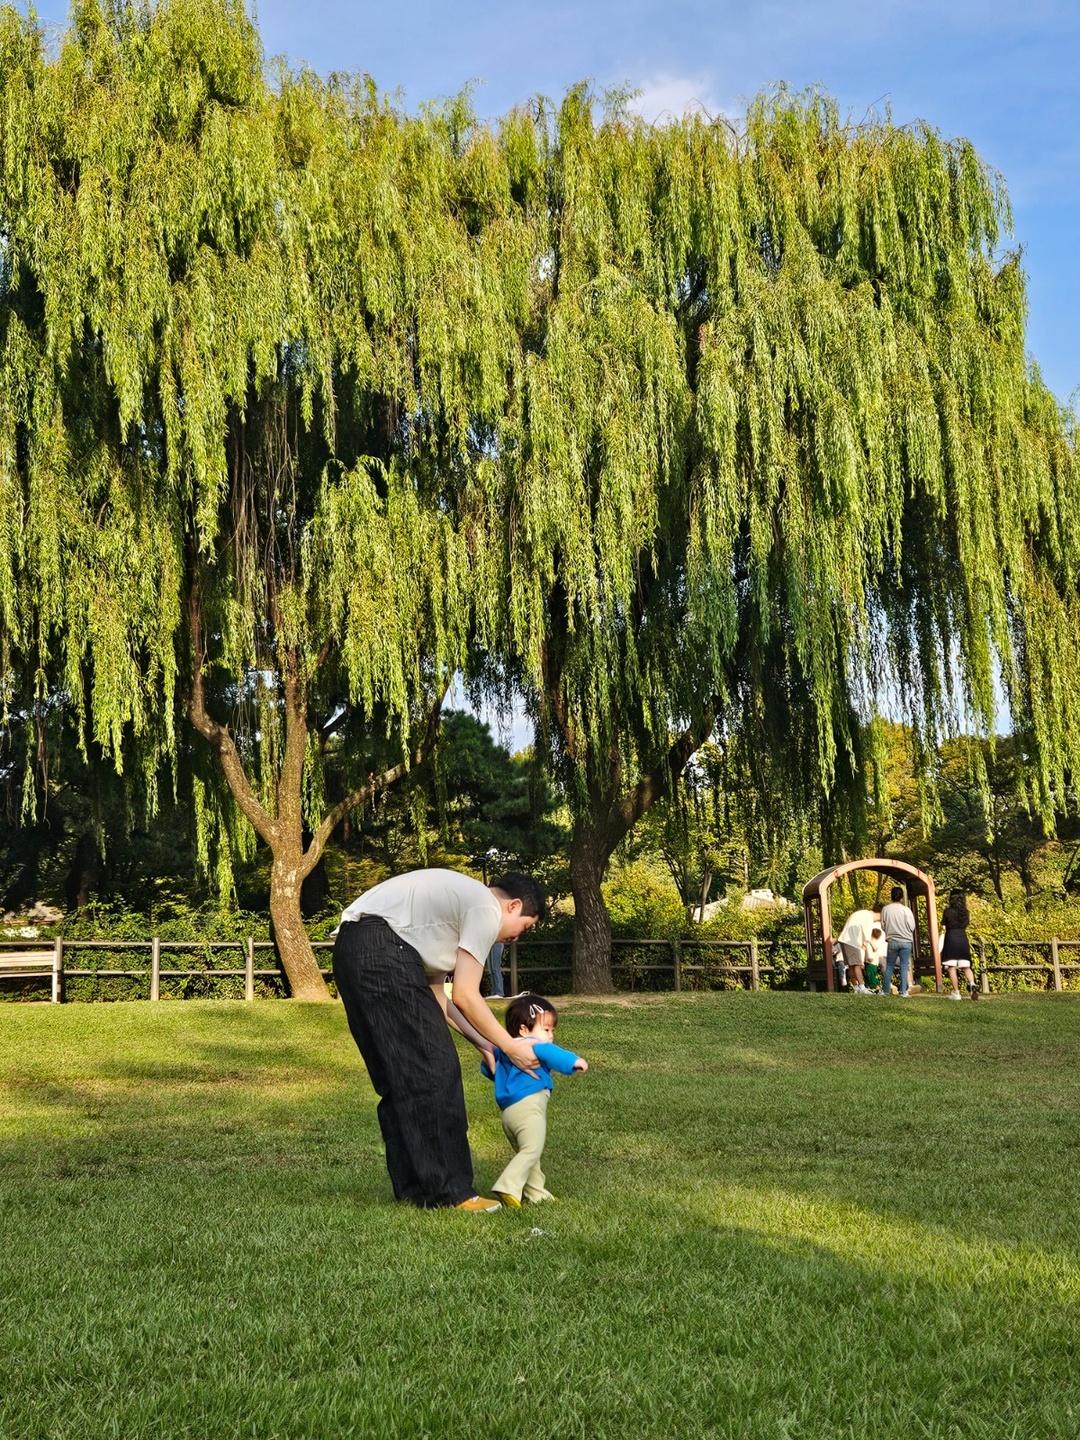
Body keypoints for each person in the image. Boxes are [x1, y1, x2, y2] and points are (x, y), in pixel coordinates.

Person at [332, 868, 546, 1212]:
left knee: (400, 1076)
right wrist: (510, 1046)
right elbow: (465, 994)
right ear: (514, 906)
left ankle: (415, 1188)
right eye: (526, 926)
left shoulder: (448, 914)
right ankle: (453, 1194)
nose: (517, 938)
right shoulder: (485, 906)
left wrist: (485, 1043)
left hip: (353, 950)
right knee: (436, 1070)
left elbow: (439, 999)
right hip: (384, 951)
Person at [481, 993, 588, 1207]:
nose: (551, 1036)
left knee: (531, 1156)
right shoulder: (532, 1044)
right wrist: (574, 1061)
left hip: (508, 1115)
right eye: (547, 1030)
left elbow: (489, 1069)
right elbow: (553, 1054)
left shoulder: (506, 1050)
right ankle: (507, 1185)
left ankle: (536, 1193)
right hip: (529, 1108)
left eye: (552, 1031)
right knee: (532, 1149)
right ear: (523, 1030)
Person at [880, 886, 917, 996]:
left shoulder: (885, 909)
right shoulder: (906, 910)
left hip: (892, 941)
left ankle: (885, 990)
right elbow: (912, 926)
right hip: (906, 942)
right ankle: (904, 991)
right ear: (901, 897)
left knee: (890, 966)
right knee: (904, 965)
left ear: (891, 896)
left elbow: (883, 925)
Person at [941, 889, 976, 1000]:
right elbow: (966, 925)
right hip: (962, 938)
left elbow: (944, 926)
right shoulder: (966, 912)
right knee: (966, 966)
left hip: (951, 938)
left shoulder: (947, 911)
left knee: (952, 967)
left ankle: (956, 992)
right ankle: (972, 984)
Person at [836, 908, 880, 992]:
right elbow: (867, 934)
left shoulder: (862, 913)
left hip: (845, 939)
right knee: (857, 964)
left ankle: (856, 987)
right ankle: (862, 987)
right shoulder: (869, 917)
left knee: (851, 965)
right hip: (852, 941)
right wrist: (864, 943)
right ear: (879, 913)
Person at [864, 923, 887, 993]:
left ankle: (876, 987)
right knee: (871, 975)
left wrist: (870, 942)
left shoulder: (871, 941)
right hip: (872, 962)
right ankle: (874, 987)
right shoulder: (873, 941)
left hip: (871, 962)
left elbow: (873, 948)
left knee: (870, 976)